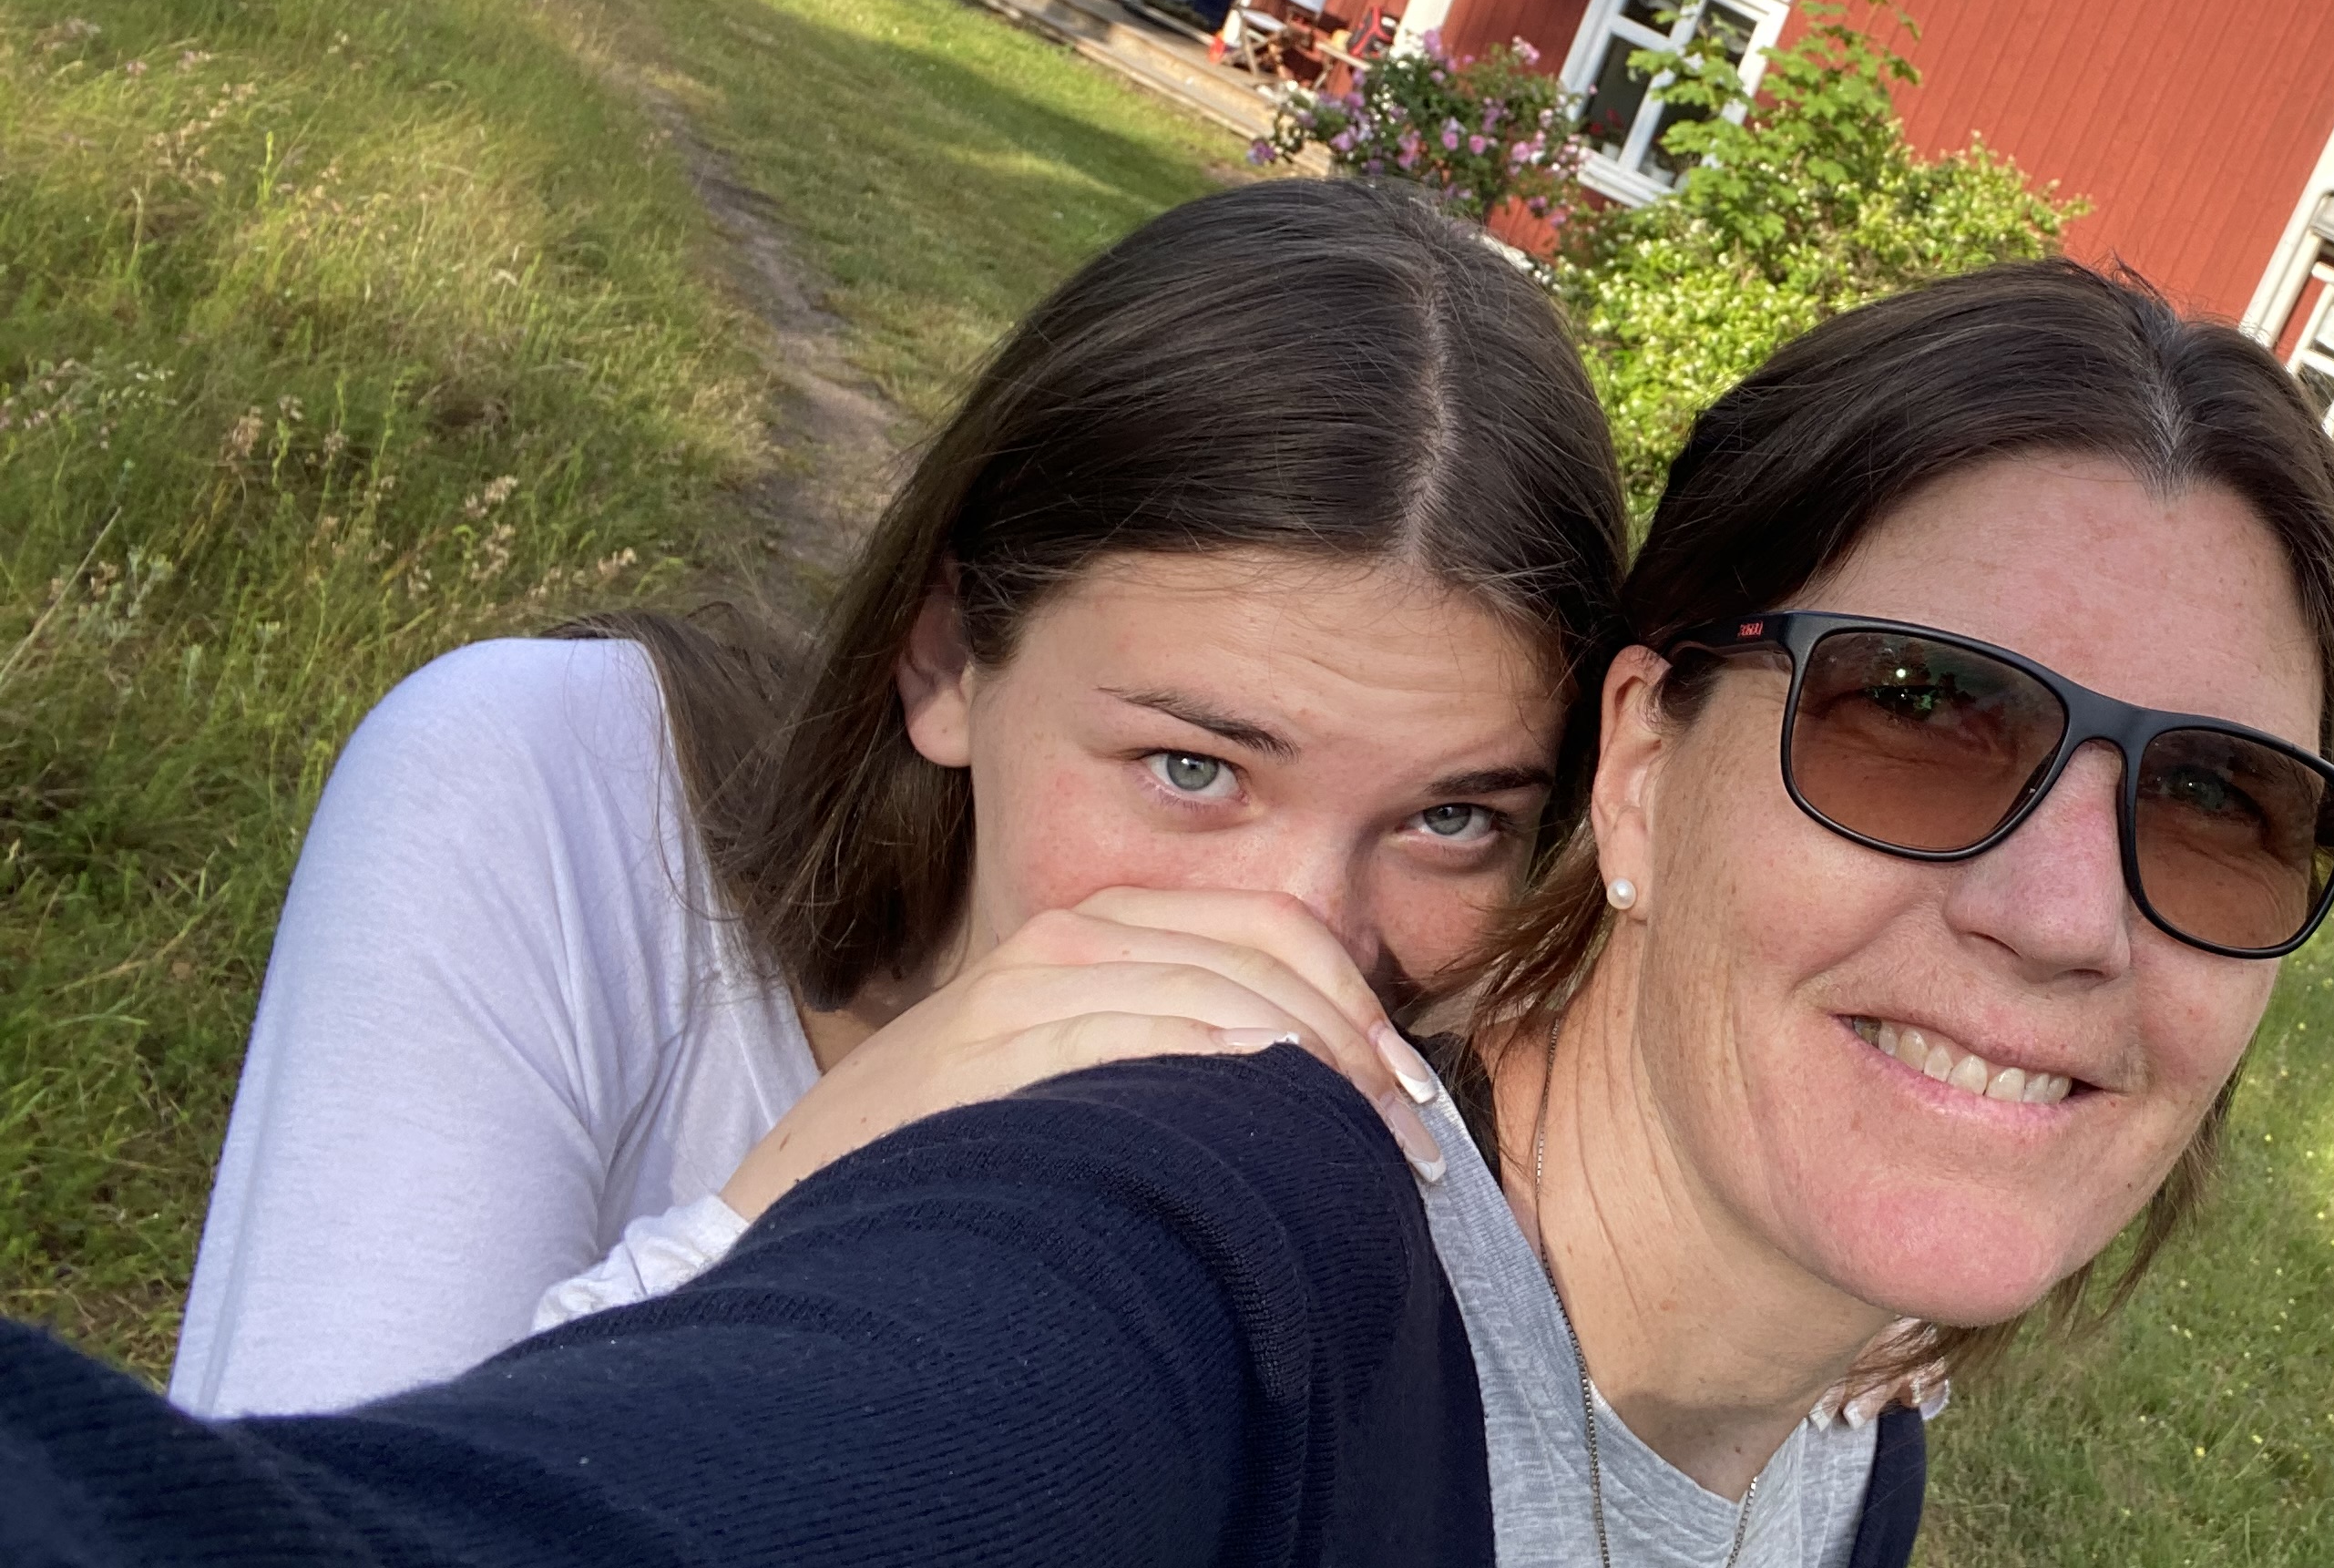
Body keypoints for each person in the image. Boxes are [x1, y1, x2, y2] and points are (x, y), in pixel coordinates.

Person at [1, 258, 2334, 1568]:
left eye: (2227, 807)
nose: (2069, 914)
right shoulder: (1193, 1260)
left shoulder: (1846, 1458)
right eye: (1922, 716)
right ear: (1648, 769)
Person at [169, 178, 1627, 1418]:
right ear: (945, 663)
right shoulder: (543, 796)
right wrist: (833, 1174)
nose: (1304, 947)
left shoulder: (1434, 1192)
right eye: (1194, 769)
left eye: (1452, 820)